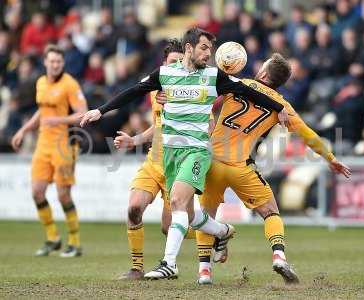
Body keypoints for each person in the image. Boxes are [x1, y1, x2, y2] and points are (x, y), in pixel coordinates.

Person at [80, 27, 290, 279]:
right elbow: (134, 91)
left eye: (210, 50)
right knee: (188, 215)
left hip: (197, 151)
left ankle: (169, 264)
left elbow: (251, 91)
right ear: (189, 48)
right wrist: (101, 111)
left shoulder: (214, 76)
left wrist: (280, 107)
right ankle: (222, 231)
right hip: (170, 152)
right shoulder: (165, 74)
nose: (207, 54)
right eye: (203, 48)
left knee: (178, 202)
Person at [190, 53, 350, 284]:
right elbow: (308, 135)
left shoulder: (239, 84)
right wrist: (330, 158)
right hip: (241, 167)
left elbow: (206, 100)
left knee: (207, 216)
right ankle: (278, 256)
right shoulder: (282, 106)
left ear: (264, 73)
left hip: (212, 163)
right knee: (271, 212)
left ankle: (204, 272)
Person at [114, 39, 196, 280]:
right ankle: (137, 269)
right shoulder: (154, 90)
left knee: (167, 227)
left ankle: (210, 234)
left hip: (177, 165)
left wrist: (177, 103)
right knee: (133, 209)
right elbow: (158, 126)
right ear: (163, 65)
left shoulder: (191, 91)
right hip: (154, 161)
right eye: (173, 62)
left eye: (182, 62)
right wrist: (135, 140)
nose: (177, 66)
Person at [11, 44, 88, 257]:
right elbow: (42, 111)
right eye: (52, 61)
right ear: (45, 62)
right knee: (37, 192)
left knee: (63, 195)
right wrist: (24, 129)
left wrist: (59, 120)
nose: (55, 65)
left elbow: (83, 113)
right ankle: (53, 237)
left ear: (62, 63)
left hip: (64, 144)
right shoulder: (41, 82)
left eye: (59, 62)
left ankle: (75, 242)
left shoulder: (70, 84)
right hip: (43, 143)